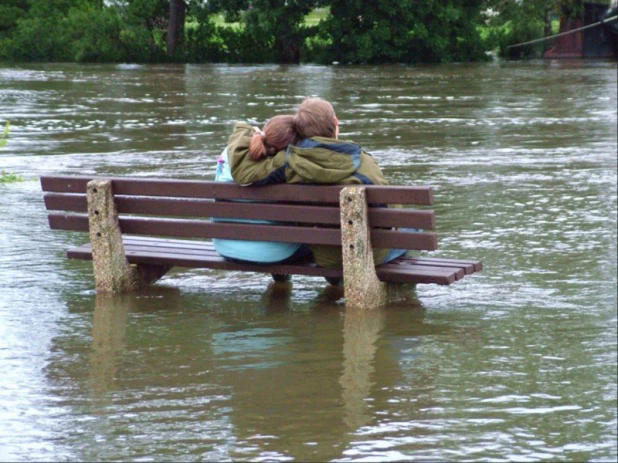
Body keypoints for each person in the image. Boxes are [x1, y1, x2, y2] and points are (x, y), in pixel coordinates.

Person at [212, 115, 311, 267]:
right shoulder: (286, 165)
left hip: (224, 246)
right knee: (320, 244)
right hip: (275, 253)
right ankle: (336, 285)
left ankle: (280, 284)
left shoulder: (230, 152)